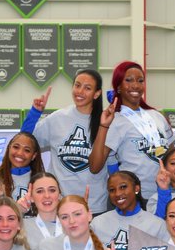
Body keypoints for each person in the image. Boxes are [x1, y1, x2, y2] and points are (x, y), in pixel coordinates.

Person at [88, 61, 175, 213]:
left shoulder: (157, 116)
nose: (135, 85)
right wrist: (103, 126)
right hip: (134, 198)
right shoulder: (115, 120)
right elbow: (95, 167)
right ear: (118, 87)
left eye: (140, 80)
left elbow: (172, 153)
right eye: (128, 80)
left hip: (162, 193)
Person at [21, 71, 109, 213]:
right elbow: (25, 141)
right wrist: (35, 113)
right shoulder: (58, 118)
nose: (80, 91)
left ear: (97, 93)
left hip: (93, 205)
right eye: (77, 85)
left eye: (87, 88)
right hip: (58, 204)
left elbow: (111, 164)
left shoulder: (105, 121)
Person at [0, 131, 45, 204]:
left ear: (34, 156)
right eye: (16, 147)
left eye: (27, 150)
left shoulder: (42, 181)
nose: (20, 153)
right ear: (9, 148)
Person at [22, 173, 64, 248]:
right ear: (31, 197)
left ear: (59, 195)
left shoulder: (71, 223)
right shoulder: (21, 226)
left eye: (52, 190)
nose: (47, 196)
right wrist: (18, 209)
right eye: (40, 191)